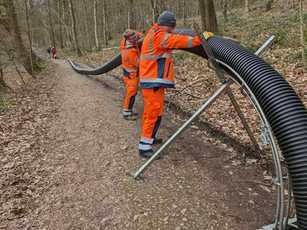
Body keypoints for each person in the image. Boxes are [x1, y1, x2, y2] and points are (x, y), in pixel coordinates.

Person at [138, 11, 202, 157]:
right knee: (152, 113)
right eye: (172, 28)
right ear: (169, 25)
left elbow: (170, 43)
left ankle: (150, 139)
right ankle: (144, 147)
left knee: (157, 112)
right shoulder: (159, 35)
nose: (173, 31)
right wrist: (200, 40)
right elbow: (178, 41)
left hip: (154, 82)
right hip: (152, 82)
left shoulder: (155, 33)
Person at [120, 29, 142, 120]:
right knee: (131, 94)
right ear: (128, 39)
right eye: (133, 38)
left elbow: (137, 34)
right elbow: (139, 64)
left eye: (135, 37)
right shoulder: (130, 52)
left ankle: (129, 110)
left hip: (127, 74)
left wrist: (139, 36)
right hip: (132, 76)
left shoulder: (124, 43)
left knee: (131, 93)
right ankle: (126, 113)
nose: (135, 38)